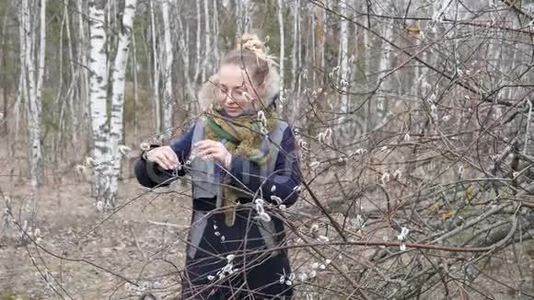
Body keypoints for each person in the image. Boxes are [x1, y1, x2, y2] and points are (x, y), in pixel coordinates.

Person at [134, 33, 302, 299]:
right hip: (205, 259)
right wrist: (152, 159)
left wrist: (231, 163)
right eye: (223, 89)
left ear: (262, 88)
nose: (229, 99)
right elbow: (158, 177)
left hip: (264, 265)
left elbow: (289, 191)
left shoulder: (280, 134)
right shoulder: (204, 128)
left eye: (240, 91)